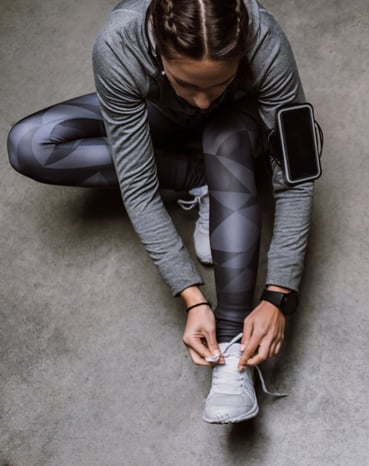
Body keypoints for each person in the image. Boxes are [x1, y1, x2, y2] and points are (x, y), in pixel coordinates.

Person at [6, 0, 315, 424]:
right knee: (31, 143)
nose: (204, 101)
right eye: (189, 84)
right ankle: (199, 178)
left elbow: (295, 178)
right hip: (159, 114)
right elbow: (138, 185)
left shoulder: (264, 39)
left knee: (221, 132)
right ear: (158, 49)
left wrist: (279, 293)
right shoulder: (121, 41)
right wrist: (191, 296)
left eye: (218, 83)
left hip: (241, 128)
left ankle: (231, 346)